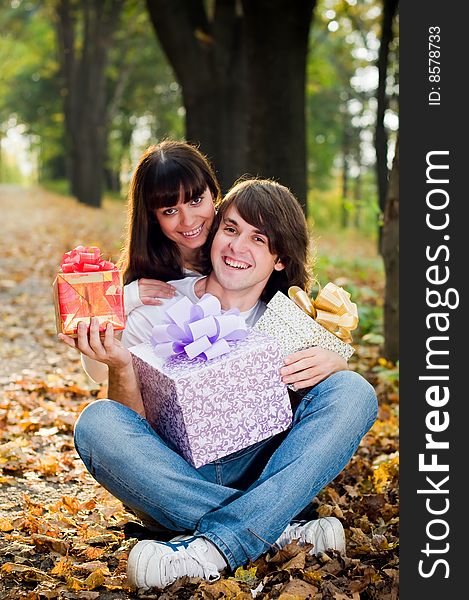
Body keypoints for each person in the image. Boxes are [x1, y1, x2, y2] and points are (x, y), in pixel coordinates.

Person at [59, 179, 378, 591]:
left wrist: (333, 365)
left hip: (258, 471)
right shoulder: (156, 304)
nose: (236, 247)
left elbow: (320, 422)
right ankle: (277, 531)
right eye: (231, 229)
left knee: (355, 391)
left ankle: (213, 545)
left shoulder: (293, 326)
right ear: (215, 233)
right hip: (174, 474)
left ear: (279, 259)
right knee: (97, 422)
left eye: (258, 238)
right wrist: (121, 366)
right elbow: (131, 426)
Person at [120, 139, 221, 314]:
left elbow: (283, 303)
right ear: (152, 216)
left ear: (212, 192)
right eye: (170, 211)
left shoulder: (240, 248)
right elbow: (77, 326)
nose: (188, 221)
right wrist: (126, 298)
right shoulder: (144, 283)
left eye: (196, 201)